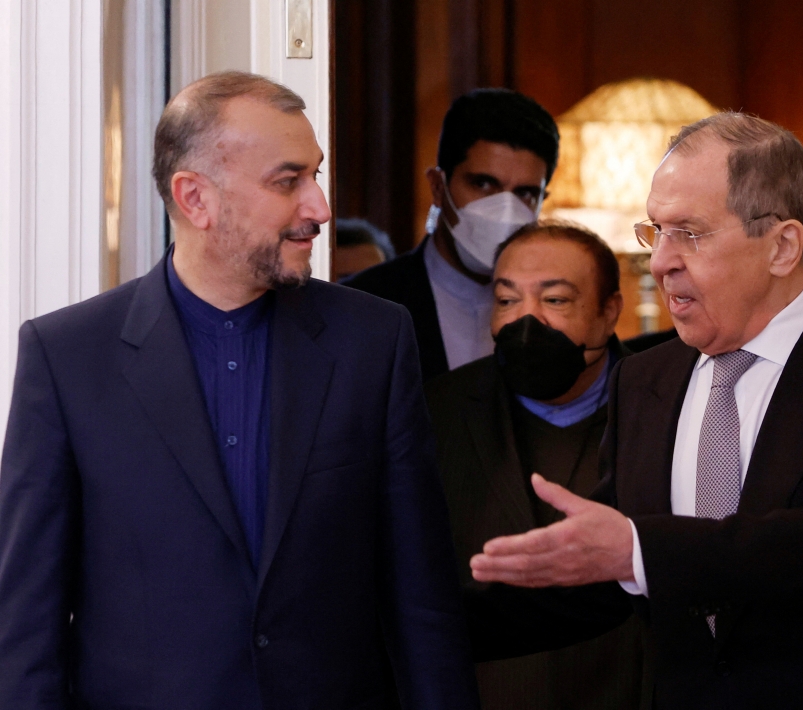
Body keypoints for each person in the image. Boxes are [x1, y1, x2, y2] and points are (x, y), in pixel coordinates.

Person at [467, 112, 803, 708]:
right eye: (655, 231)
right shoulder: (643, 378)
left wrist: (636, 548)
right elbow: (613, 571)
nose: (660, 261)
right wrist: (418, 624)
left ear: (783, 246)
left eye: (689, 233)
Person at [0, 71, 479, 710]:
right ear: (195, 198)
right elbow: (25, 625)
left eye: (317, 175)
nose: (320, 207)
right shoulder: (67, 358)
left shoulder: (374, 342)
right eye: (288, 181)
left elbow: (422, 599)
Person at [426, 221, 643, 710]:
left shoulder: (662, 409)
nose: (526, 322)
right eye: (507, 301)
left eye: (556, 300)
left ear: (609, 311)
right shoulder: (436, 412)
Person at [346, 88, 559, 380]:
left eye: (525, 193)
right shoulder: (365, 304)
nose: (505, 210)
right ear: (437, 186)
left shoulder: (560, 311)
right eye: (483, 184)